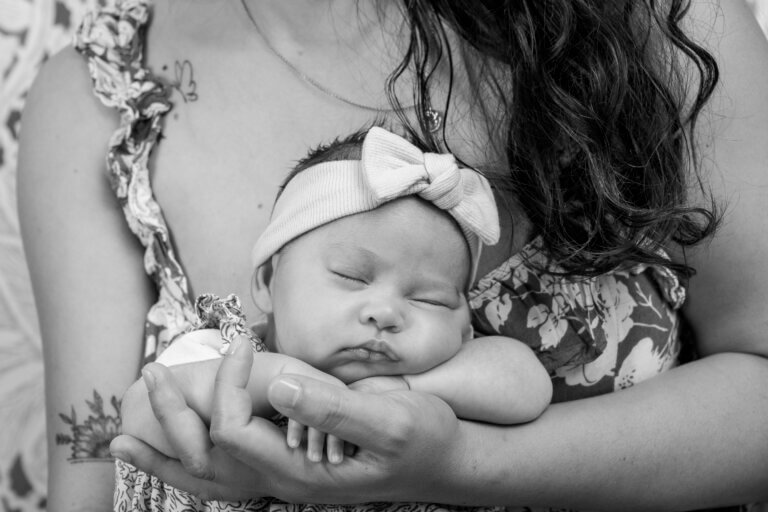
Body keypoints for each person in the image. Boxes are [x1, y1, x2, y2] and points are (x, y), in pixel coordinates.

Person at [16, 0, 768, 510]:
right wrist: (181, 444)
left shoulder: (654, 18)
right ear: (265, 281)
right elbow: (90, 469)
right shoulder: (100, 95)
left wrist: (462, 463)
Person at [120, 126, 552, 472]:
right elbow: (141, 413)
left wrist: (404, 388)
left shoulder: (444, 372)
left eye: (430, 300)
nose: (385, 313)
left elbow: (528, 386)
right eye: (351, 277)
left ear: (462, 323)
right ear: (268, 281)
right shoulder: (223, 350)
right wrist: (280, 380)